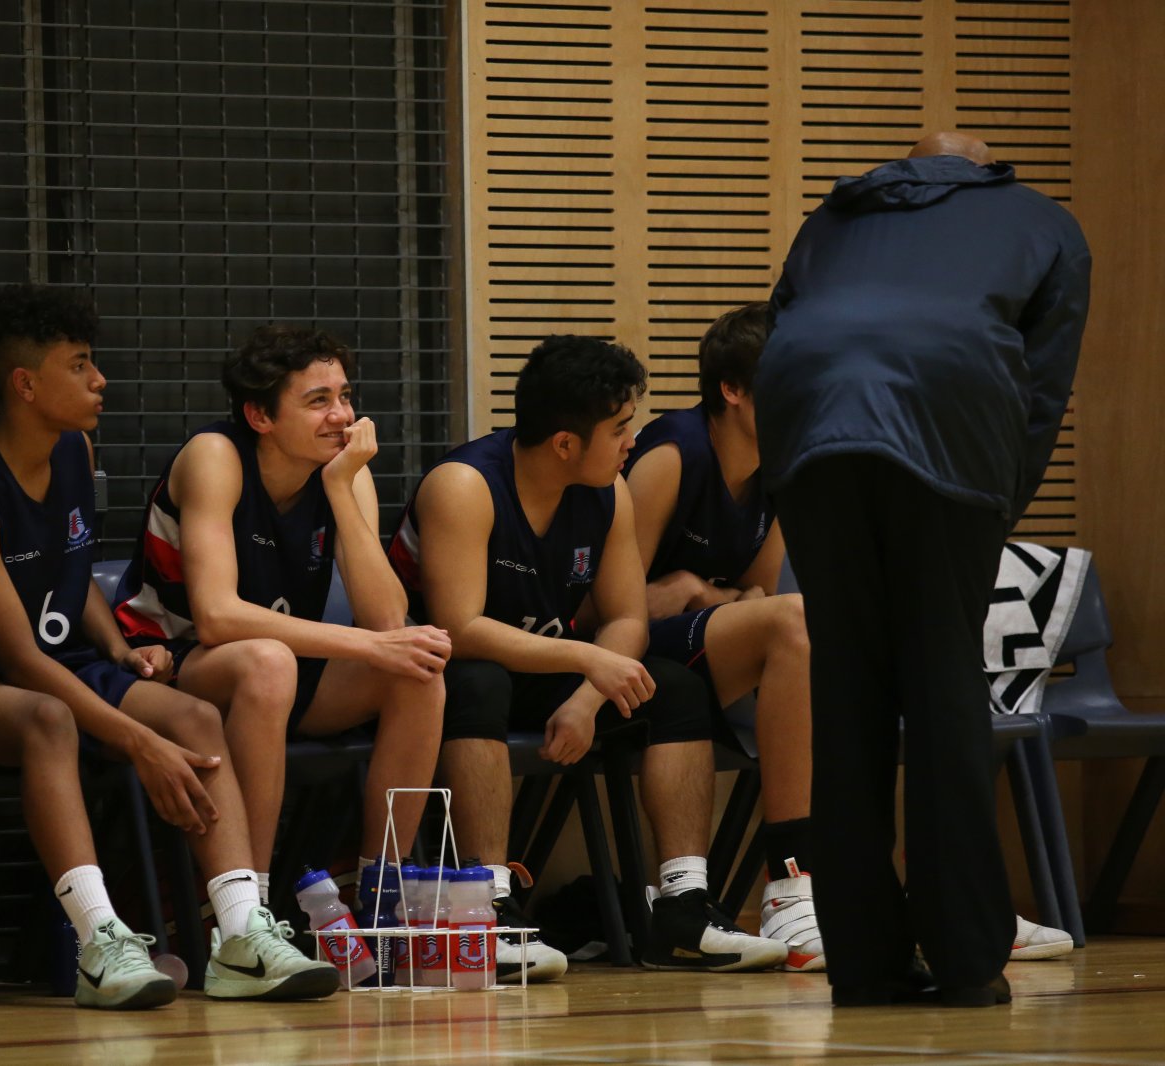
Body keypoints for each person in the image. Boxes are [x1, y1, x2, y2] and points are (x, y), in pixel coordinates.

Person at [0, 285, 337, 1005]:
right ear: (25, 384)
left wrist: (119, 649)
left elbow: (70, 568)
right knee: (50, 719)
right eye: (79, 364)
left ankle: (241, 934)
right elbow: (19, 660)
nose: (100, 379)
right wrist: (140, 742)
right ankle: (99, 941)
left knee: (195, 720)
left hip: (70, 666)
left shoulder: (74, 450)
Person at [756, 132, 1091, 1007]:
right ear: (985, 167)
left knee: (847, 693)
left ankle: (864, 963)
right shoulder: (1042, 222)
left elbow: (783, 327)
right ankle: (966, 958)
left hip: (808, 427)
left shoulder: (833, 216)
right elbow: (1042, 389)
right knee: (945, 689)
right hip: (948, 420)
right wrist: (995, 506)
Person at [390, 334, 788, 979]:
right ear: (565, 444)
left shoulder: (608, 491)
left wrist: (587, 697)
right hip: (441, 676)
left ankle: (682, 907)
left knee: (674, 690)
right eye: (620, 429)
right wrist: (585, 660)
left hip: (546, 672)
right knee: (479, 682)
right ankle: (485, 910)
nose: (633, 441)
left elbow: (628, 617)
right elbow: (460, 628)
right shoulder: (463, 485)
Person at [113, 325, 448, 900]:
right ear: (261, 416)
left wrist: (341, 489)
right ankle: (250, 905)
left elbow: (387, 620)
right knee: (268, 662)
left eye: (345, 396)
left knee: (418, 671)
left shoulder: (343, 470)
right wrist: (369, 645)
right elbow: (216, 618)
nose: (342, 416)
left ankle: (382, 890)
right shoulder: (216, 456)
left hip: (284, 669)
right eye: (318, 401)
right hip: (175, 664)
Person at [622, 303, 821, 972]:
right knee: (796, 622)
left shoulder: (784, 466)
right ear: (732, 390)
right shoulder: (671, 455)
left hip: (703, 644)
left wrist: (697, 592)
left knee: (812, 634)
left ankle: (887, 888)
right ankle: (791, 882)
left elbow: (758, 594)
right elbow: (610, 606)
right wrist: (710, 600)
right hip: (624, 652)